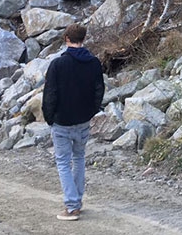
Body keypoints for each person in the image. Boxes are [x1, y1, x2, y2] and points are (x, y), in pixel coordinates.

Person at [42, 23, 104, 221]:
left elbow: (50, 94)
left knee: (63, 162)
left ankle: (72, 206)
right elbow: (99, 91)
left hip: (62, 121)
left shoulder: (57, 65)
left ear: (67, 38)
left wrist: (49, 117)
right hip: (83, 120)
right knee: (79, 159)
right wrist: (92, 111)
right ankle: (77, 201)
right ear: (83, 39)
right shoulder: (93, 63)